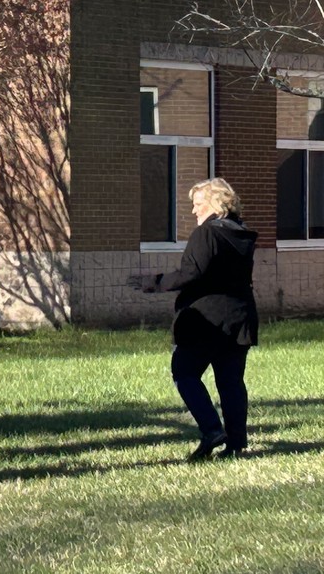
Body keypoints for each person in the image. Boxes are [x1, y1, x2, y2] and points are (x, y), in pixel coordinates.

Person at [134, 177, 258, 461]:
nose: (194, 211)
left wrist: (153, 282)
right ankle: (236, 444)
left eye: (198, 204)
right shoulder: (240, 232)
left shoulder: (207, 234)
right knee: (231, 382)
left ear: (215, 203)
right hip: (238, 318)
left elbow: (191, 274)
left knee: (184, 372)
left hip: (206, 320)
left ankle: (213, 430)